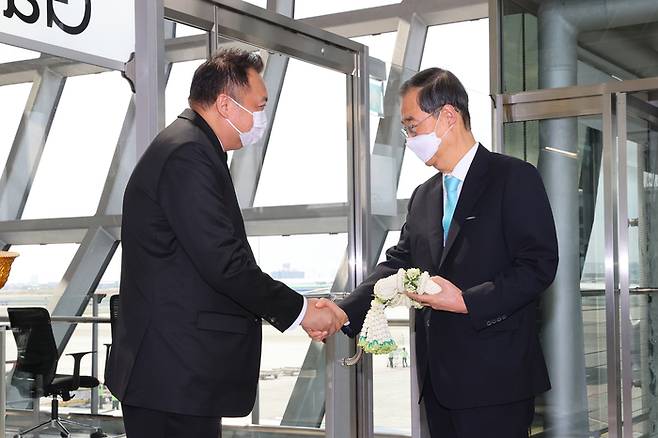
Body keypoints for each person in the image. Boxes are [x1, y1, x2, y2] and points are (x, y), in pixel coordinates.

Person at [105, 48, 342, 438]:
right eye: (259, 105)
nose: (262, 117)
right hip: (173, 375)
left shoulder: (189, 147)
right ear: (225, 104)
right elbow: (224, 263)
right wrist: (300, 310)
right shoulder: (188, 154)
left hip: (173, 375)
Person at [314, 67, 558, 438]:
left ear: (448, 116)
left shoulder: (513, 178)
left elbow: (538, 266)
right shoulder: (425, 195)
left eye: (412, 126)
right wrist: (344, 308)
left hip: (497, 381)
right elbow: (399, 262)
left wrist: (467, 301)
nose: (409, 138)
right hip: (439, 383)